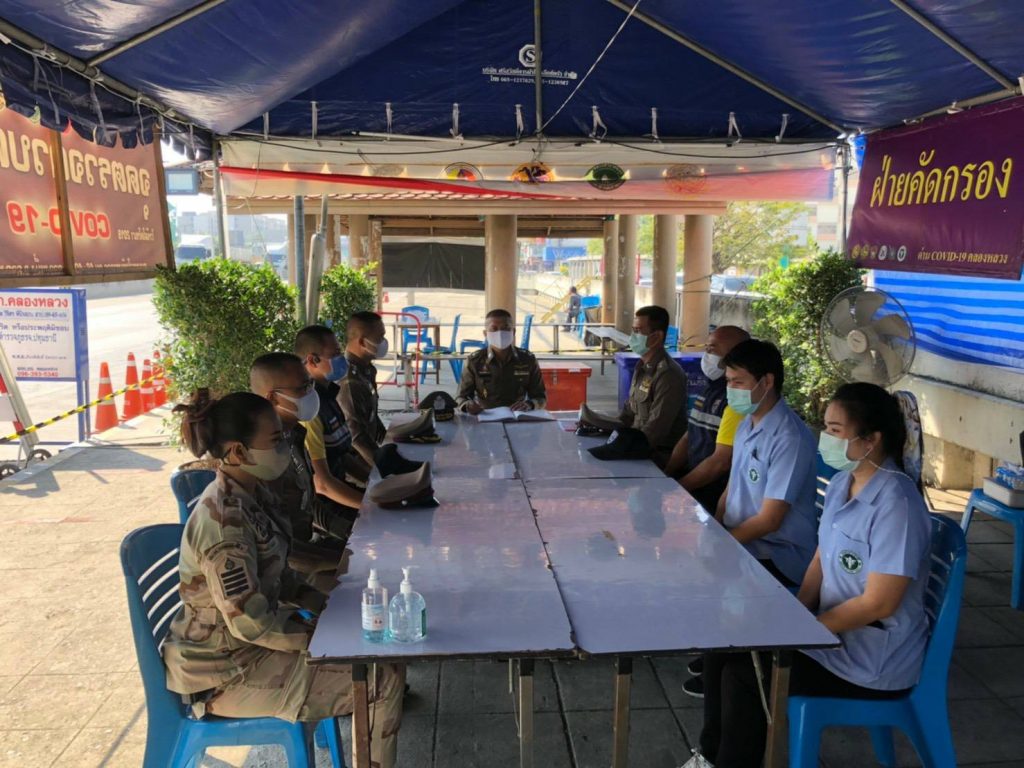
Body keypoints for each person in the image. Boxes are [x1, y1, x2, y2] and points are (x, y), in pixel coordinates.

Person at [695, 382, 931, 768]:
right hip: (829, 633)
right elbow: (821, 558)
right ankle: (709, 756)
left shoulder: (897, 504)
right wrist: (798, 611)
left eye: (836, 430)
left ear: (871, 440)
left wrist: (807, 631)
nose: (826, 438)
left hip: (868, 658)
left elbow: (880, 603)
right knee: (723, 643)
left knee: (745, 675)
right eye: (826, 427)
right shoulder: (842, 483)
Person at [164, 391, 404, 767]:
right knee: (381, 678)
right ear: (238, 452)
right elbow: (251, 623)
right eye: (276, 440)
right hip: (226, 674)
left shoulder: (254, 494)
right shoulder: (225, 524)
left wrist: (329, 608)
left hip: (250, 651)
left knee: (379, 644)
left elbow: (283, 577)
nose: (285, 447)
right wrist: (326, 640)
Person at [683, 338, 817, 699]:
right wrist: (715, 528)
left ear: (766, 382)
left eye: (738, 382)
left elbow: (771, 520)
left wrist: (723, 545)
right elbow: (733, 487)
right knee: (692, 564)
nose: (731, 390)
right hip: (745, 540)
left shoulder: (788, 437)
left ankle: (727, 666)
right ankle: (717, 656)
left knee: (721, 582)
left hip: (779, 552)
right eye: (728, 381)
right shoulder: (747, 423)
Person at [249, 352, 352, 569]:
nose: (310, 393)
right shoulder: (260, 458)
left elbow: (308, 503)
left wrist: (349, 530)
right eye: (302, 388)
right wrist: (342, 562)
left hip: (307, 549)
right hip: (282, 570)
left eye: (310, 384)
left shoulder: (293, 435)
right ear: (272, 398)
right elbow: (278, 547)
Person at [586, 305, 688, 466]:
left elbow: (655, 431)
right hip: (636, 445)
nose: (633, 336)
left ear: (657, 336)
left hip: (655, 456)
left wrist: (619, 448)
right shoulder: (642, 367)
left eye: (638, 331)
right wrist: (596, 424)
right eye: (633, 330)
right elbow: (627, 416)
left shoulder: (668, 374)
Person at [664, 326, 750, 512]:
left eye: (712, 349)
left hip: (714, 496)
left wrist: (678, 488)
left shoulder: (737, 401)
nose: (707, 355)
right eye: (707, 349)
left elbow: (721, 462)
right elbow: (689, 437)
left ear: (734, 355)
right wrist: (666, 475)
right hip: (693, 489)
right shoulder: (709, 389)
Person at [294, 325, 367, 520]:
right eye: (334, 354)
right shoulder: (310, 411)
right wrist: (373, 506)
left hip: (340, 490)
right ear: (312, 360)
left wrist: (376, 482)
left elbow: (340, 455)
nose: (341, 358)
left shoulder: (327, 397)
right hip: (326, 508)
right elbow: (322, 484)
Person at [457, 308, 546, 413]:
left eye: (506, 328)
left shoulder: (527, 359)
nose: (500, 333)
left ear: (513, 332)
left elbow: (540, 397)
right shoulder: (475, 361)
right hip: (485, 416)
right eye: (494, 329)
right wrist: (467, 405)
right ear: (486, 334)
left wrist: (530, 404)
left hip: (518, 416)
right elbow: (460, 397)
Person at [337, 311, 389, 467]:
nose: (384, 342)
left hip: (368, 458)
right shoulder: (350, 381)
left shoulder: (366, 369)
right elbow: (357, 437)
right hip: (359, 467)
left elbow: (370, 415)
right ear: (362, 342)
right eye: (379, 337)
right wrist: (386, 468)